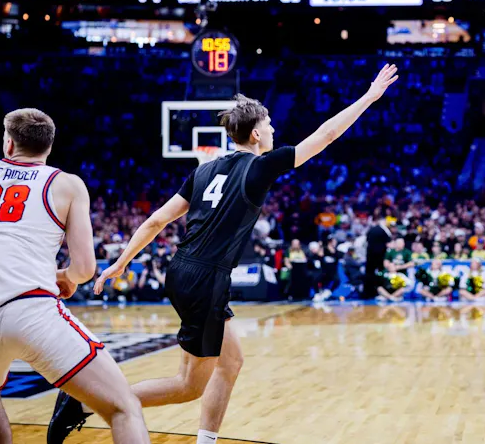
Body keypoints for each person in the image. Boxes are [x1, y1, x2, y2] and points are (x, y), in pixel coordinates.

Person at [53, 65, 399, 444]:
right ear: (254, 134)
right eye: (268, 125)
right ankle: (85, 402)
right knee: (188, 386)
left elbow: (155, 221)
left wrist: (120, 263)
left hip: (184, 271)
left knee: (230, 362)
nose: (272, 131)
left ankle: (206, 440)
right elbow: (327, 134)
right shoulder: (260, 167)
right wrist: (368, 97)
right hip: (205, 278)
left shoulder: (203, 171)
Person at [0, 109, 149, 443]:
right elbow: (85, 269)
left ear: (9, 142)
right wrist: (64, 276)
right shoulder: (66, 184)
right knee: (123, 407)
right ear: (48, 147)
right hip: (30, 311)